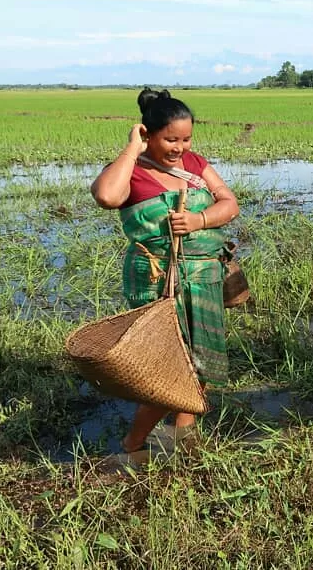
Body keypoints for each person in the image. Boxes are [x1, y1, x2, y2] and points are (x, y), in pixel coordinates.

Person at [90, 88, 239, 459]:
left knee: (200, 359)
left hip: (203, 276)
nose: (179, 148)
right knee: (167, 366)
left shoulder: (196, 164)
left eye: (186, 139)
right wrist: (131, 149)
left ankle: (181, 433)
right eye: (170, 139)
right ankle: (133, 446)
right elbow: (107, 197)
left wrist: (198, 219)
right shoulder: (132, 172)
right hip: (156, 279)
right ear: (148, 134)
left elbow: (230, 204)